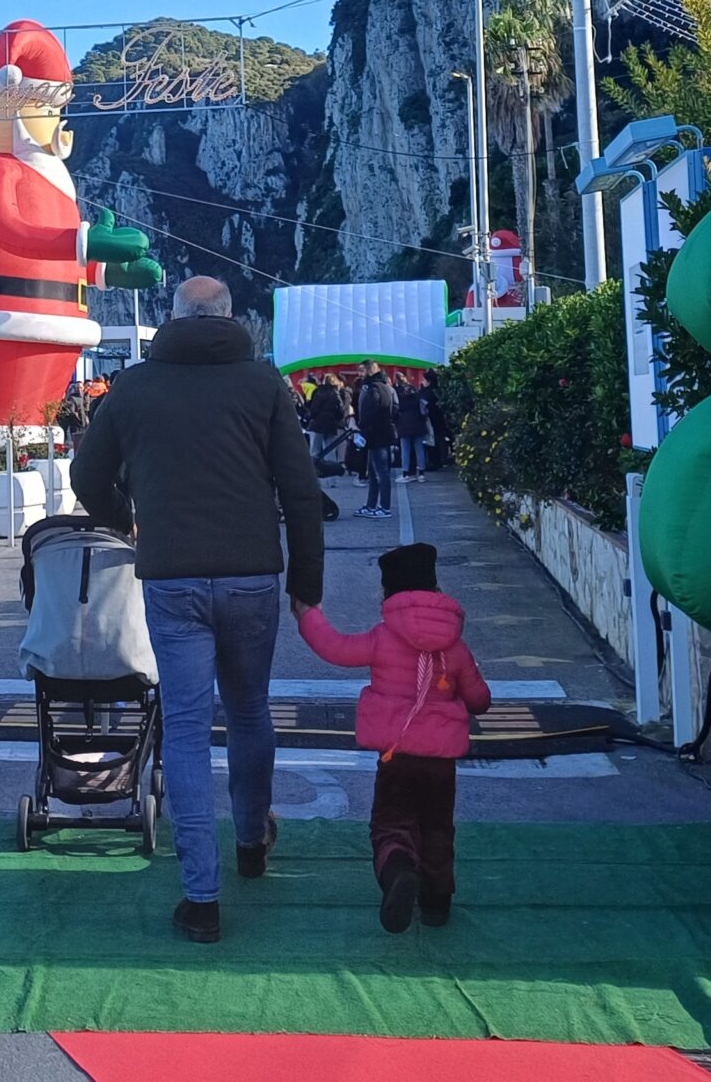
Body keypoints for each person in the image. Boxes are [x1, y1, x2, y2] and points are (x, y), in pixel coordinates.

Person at [72, 274, 328, 945]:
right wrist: (308, 581)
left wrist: (125, 520)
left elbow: (85, 477)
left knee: (186, 729)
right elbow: (301, 491)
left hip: (173, 577)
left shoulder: (133, 387)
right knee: (249, 709)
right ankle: (252, 841)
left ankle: (201, 896)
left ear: (173, 316)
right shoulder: (263, 383)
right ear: (229, 317)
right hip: (251, 576)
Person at [296, 542, 491, 932]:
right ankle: (437, 902)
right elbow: (479, 700)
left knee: (392, 823)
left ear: (388, 594)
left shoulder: (383, 637)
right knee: (437, 827)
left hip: (397, 756)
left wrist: (307, 615)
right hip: (441, 764)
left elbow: (336, 648)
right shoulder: (455, 647)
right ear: (436, 589)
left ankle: (399, 869)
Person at [354, 363, 401, 518]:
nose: (359, 374)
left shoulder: (372, 388)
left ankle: (384, 507)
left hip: (376, 434)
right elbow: (394, 409)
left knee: (381, 472)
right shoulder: (386, 386)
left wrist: (363, 429)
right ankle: (371, 505)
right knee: (374, 472)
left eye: (362, 370)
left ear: (369, 370)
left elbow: (370, 412)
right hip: (382, 432)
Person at [395, 376, 435, 482]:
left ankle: (405, 474)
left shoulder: (400, 397)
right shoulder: (418, 396)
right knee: (419, 449)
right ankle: (421, 474)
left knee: (405, 450)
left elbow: (395, 411)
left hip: (404, 426)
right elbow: (424, 411)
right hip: (418, 425)